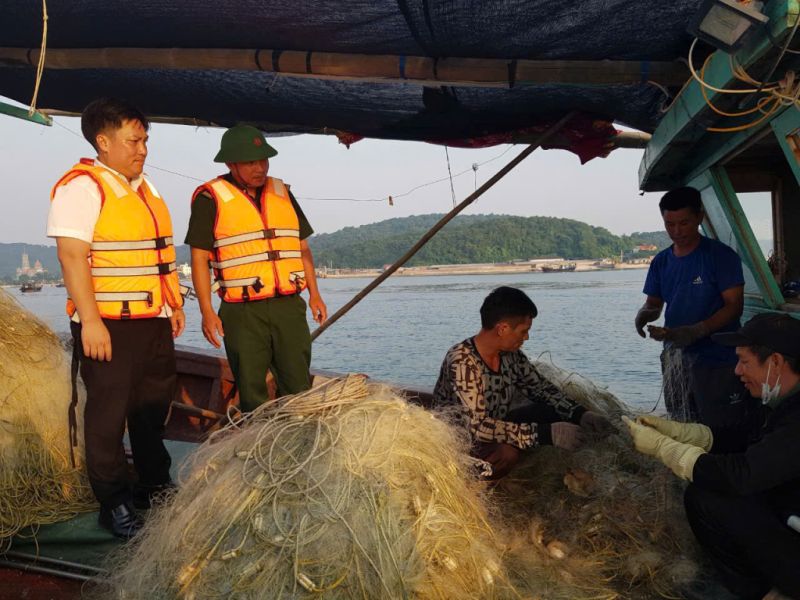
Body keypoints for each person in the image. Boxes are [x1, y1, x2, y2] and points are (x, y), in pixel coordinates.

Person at [48, 98, 185, 539]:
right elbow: (72, 257)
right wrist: (90, 322)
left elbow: (158, 259)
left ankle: (154, 485)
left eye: (145, 139)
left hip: (153, 319)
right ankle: (113, 501)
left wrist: (173, 305)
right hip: (108, 323)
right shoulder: (83, 187)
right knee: (108, 415)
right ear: (103, 142)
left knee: (151, 409)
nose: (142, 149)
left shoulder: (146, 188)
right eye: (133, 140)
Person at [624, 313, 800, 600]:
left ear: (776, 362)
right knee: (708, 493)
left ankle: (764, 593)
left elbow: (742, 474)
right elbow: (741, 436)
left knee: (708, 497)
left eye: (744, 362)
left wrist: (665, 449)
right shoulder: (780, 401)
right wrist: (680, 433)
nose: (736, 371)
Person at [186, 125, 327, 412]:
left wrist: (314, 294)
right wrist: (207, 311)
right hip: (242, 312)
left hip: (289, 306)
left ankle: (299, 444)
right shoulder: (210, 198)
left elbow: (303, 249)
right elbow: (199, 258)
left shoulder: (283, 193)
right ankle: (260, 447)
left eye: (263, 160)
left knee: (298, 386)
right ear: (230, 163)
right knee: (252, 391)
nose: (259, 168)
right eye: (250, 161)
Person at [433, 286, 612, 479]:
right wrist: (546, 434)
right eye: (523, 331)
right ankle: (481, 488)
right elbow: (476, 427)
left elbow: (541, 389)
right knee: (507, 454)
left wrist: (580, 414)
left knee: (550, 412)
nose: (526, 337)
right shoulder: (463, 362)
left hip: (495, 426)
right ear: (503, 329)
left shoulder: (511, 356)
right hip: (460, 442)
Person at [634, 186, 750, 428]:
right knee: (681, 424)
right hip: (675, 357)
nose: (677, 231)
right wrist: (644, 315)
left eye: (684, 223)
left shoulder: (721, 256)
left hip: (719, 360)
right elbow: (654, 304)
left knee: (722, 427)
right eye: (669, 224)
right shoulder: (661, 262)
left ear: (700, 217)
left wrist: (695, 331)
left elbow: (734, 306)